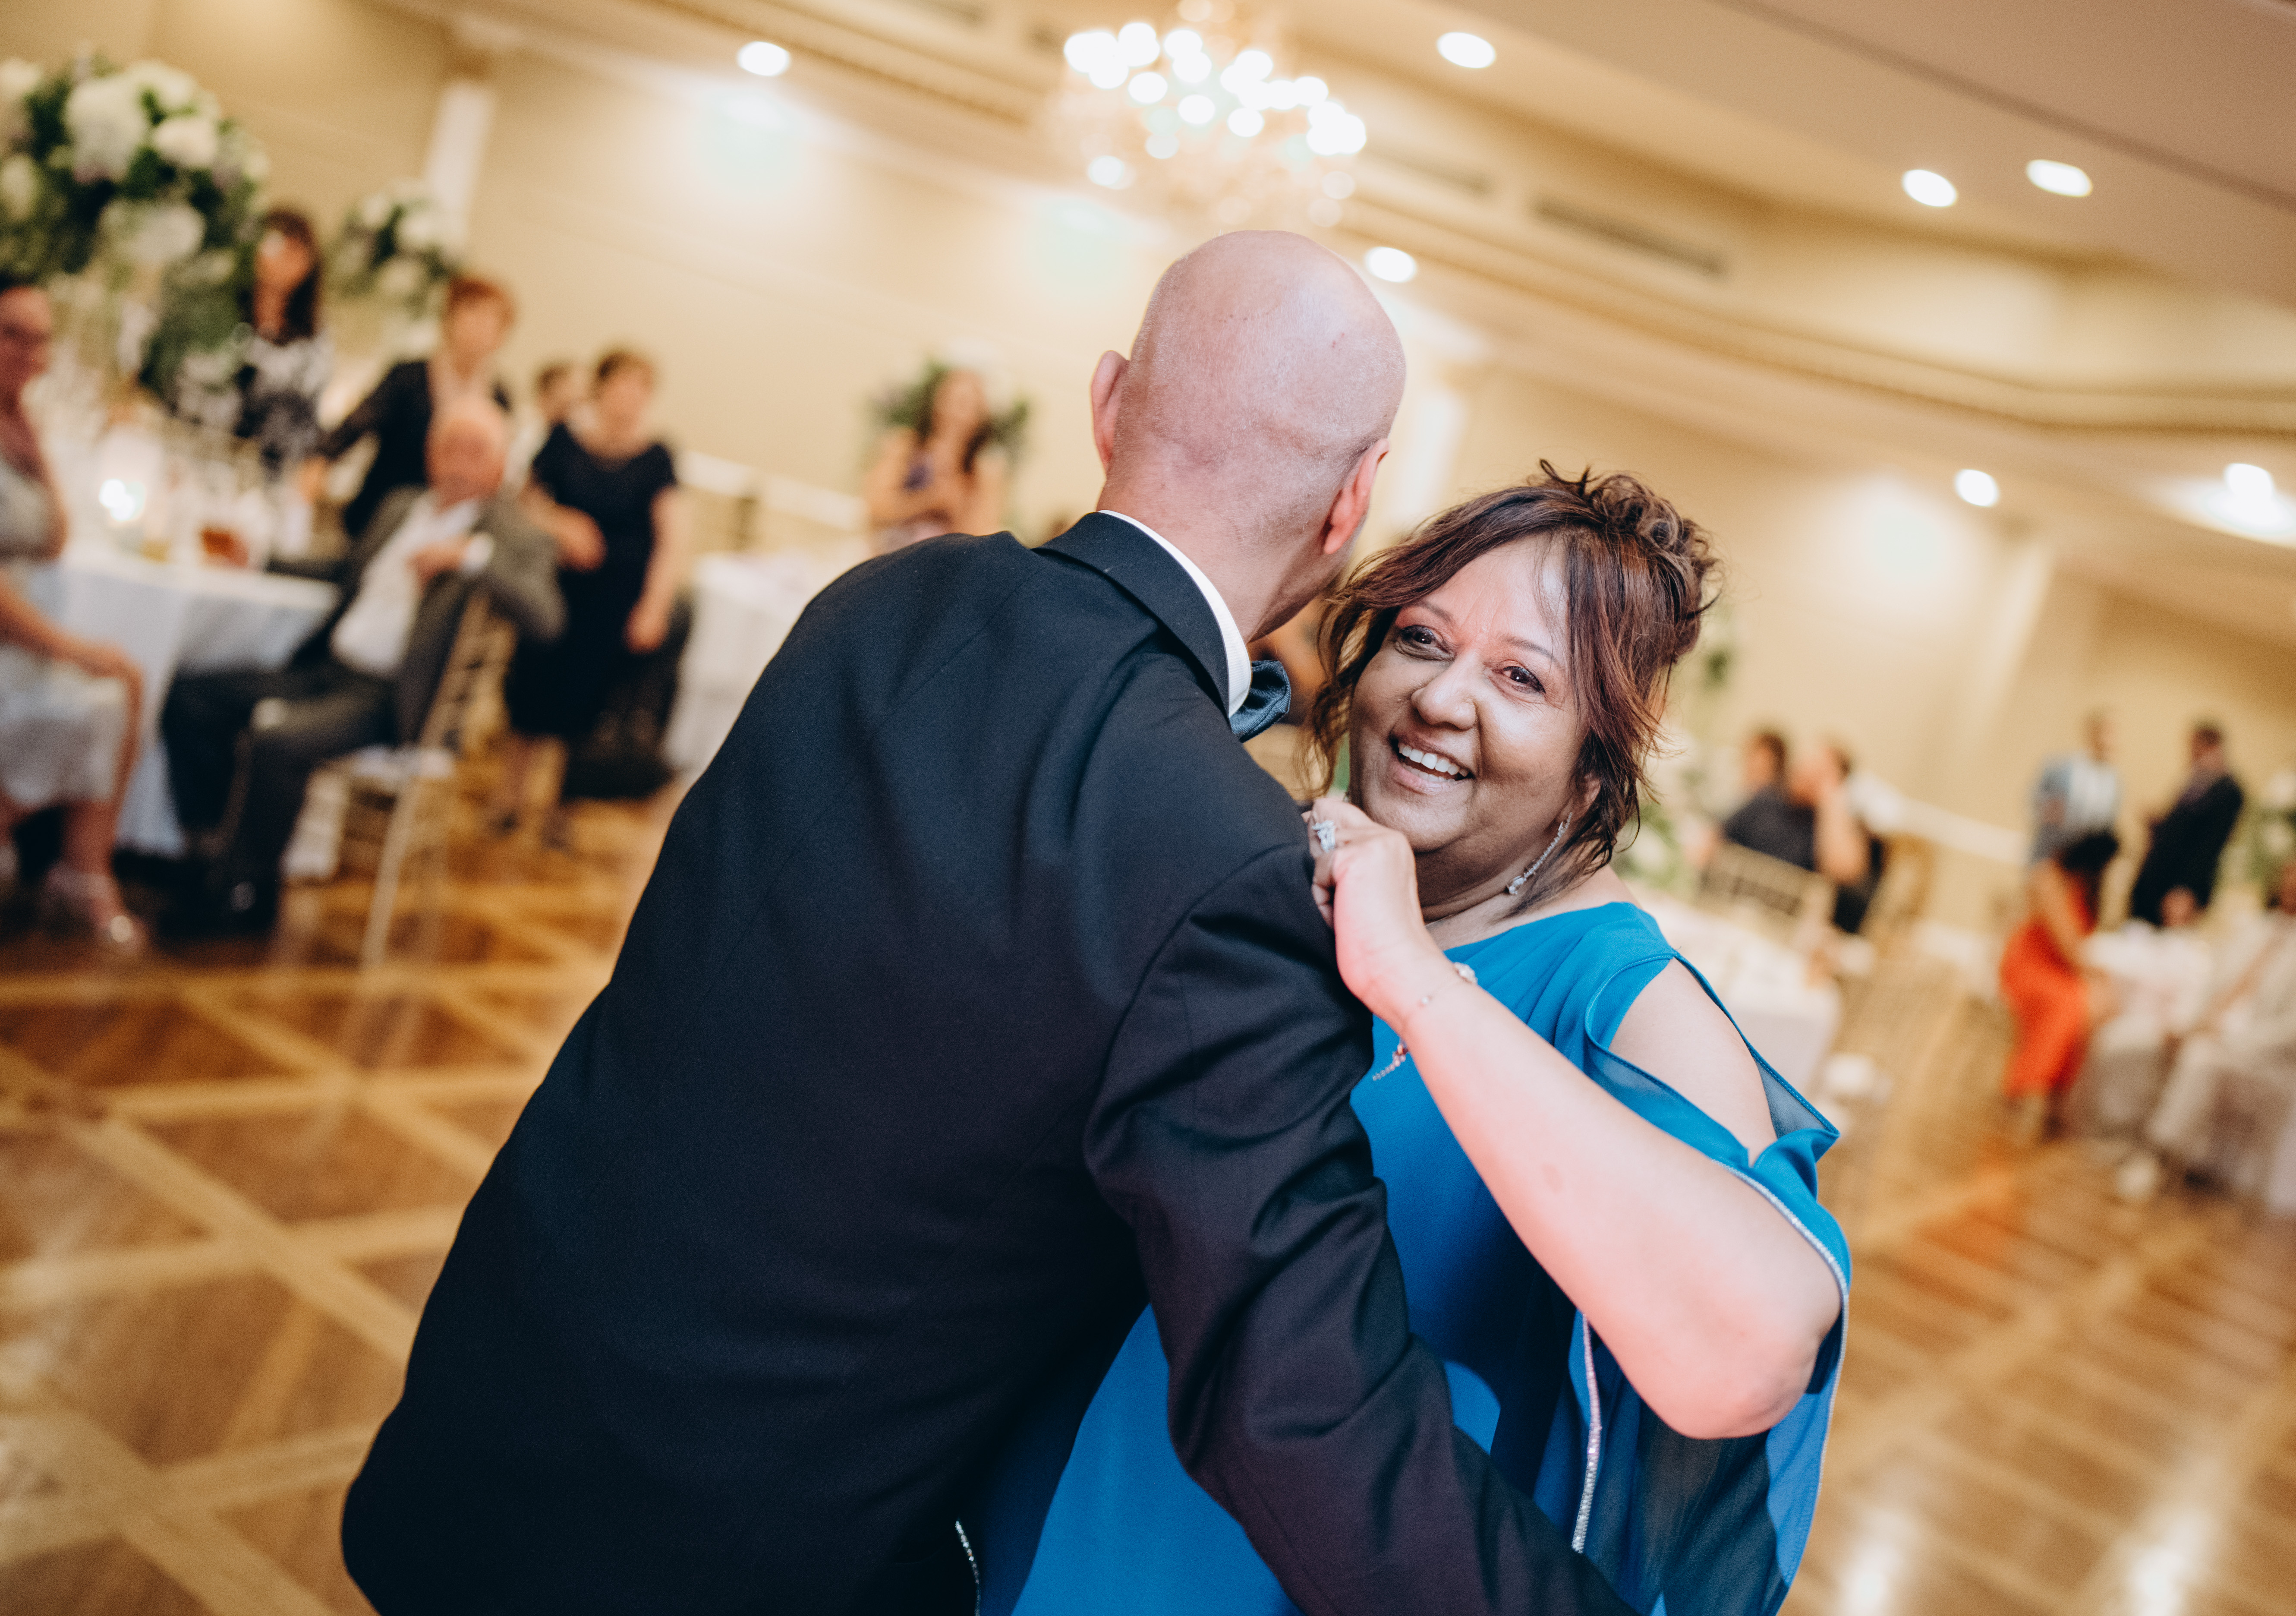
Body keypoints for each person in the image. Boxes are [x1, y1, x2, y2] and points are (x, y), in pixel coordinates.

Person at [343, 234, 1636, 1616]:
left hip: (478, 1430)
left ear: (1106, 403)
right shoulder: (1236, 872)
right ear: (1350, 504)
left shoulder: (883, 602)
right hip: (730, 1562)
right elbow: (1306, 1416)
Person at [988, 468, 1847, 1616]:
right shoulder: (1282, 871)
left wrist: (1412, 977)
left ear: (1595, 765)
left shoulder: (1622, 995)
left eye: (1522, 678)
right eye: (1421, 639)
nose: (1441, 698)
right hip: (1079, 1512)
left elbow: (1751, 1346)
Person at [159, 398, 561, 936]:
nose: (460, 463)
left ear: (501, 464)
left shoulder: (511, 535)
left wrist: (470, 556)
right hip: (328, 671)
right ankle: (207, 849)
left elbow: (546, 617)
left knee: (279, 740)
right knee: (191, 695)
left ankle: (246, 892)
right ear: (431, 453)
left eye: (476, 451)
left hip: (391, 699)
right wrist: (260, 560)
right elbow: (344, 569)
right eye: (451, 447)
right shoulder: (403, 506)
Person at [0, 277, 145, 951]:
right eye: (12, 335)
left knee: (124, 681)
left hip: (21, 633)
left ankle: (83, 870)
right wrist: (69, 647)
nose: (29, 353)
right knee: (105, 680)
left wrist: (36, 443)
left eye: (41, 340)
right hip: (12, 633)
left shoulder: (19, 426)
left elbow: (56, 538)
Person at [492, 348, 687, 847]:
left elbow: (671, 540)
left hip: (612, 601)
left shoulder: (656, 459)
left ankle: (561, 808)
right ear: (602, 387)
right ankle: (509, 798)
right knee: (530, 690)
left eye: (641, 389)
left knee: (586, 704)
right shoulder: (565, 440)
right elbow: (524, 501)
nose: (631, 398)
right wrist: (562, 524)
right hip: (553, 592)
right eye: (623, 385)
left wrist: (654, 606)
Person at [2117, 854, 2296, 1200]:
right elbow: (2210, 984)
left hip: (2265, 1061)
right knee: (2143, 1041)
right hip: (2213, 1030)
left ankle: (2157, 1155)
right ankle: (2121, 1134)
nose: (2293, 887)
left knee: (2202, 1061)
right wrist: (2189, 1023)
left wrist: (2225, 1038)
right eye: (2290, 877)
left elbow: (2294, 1032)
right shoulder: (2252, 930)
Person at [308, 273, 516, 543]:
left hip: (448, 529)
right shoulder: (409, 377)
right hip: (384, 510)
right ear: (449, 319)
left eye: (493, 320)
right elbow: (359, 423)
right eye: (472, 314)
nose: (481, 328)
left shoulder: (500, 398)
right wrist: (321, 462)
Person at [1998, 830, 2121, 1136]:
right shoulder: (2049, 877)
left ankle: (2061, 1097)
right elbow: (2066, 943)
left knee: (2093, 1009)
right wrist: (2096, 976)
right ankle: (2024, 1087)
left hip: (2063, 971)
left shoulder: (2087, 887)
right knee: (2069, 1004)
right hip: (2030, 966)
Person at [2073, 886, 2212, 1138]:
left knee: (2117, 1042)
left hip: (2159, 1027)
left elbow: (2191, 1002)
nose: (2175, 908)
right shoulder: (2148, 939)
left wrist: (2174, 1027)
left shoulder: (2196, 956)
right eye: (2172, 900)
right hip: (2127, 1017)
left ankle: (2113, 1126)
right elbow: (2097, 955)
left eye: (2184, 903)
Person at [232, 206, 333, 479]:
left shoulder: (314, 336)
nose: (286, 259)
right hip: (209, 439)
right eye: (279, 246)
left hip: (269, 463)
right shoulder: (225, 310)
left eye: (297, 252)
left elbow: (309, 410)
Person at [863, 365, 1007, 549]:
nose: (956, 414)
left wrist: (958, 499)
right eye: (952, 400)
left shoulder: (983, 473)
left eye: (969, 406)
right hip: (892, 551)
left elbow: (981, 538)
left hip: (944, 560)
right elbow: (876, 510)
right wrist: (929, 500)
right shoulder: (904, 446)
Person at [1718, 735, 1871, 896]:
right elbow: (1719, 835)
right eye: (1807, 760)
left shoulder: (1830, 827)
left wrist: (1832, 802)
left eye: (1818, 768)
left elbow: (1845, 872)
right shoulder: (1767, 799)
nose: (1805, 769)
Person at [2126, 720, 2244, 925]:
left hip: (2178, 889)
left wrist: (2187, 889)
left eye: (2194, 748)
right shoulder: (2195, 782)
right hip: (2157, 880)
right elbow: (2180, 830)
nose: (2190, 754)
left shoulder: (2228, 791)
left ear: (2210, 747)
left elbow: (2210, 846)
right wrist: (2158, 824)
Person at [2030, 710, 2122, 864]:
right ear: (2091, 731)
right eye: (2104, 731)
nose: (2108, 738)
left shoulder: (2114, 782)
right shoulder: (2061, 766)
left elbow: (2107, 825)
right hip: (2050, 854)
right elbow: (2035, 800)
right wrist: (2050, 813)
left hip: (2082, 863)